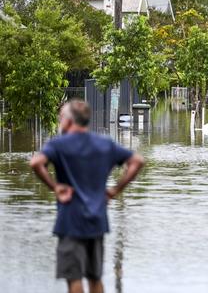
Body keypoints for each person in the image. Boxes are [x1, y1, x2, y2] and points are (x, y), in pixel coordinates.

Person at [30, 100, 145, 293]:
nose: (60, 122)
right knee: (95, 277)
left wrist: (55, 187)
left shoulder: (59, 144)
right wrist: (115, 190)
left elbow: (36, 163)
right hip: (97, 220)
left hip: (70, 221)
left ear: (67, 121)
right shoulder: (105, 143)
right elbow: (137, 161)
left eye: (61, 118)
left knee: (74, 278)